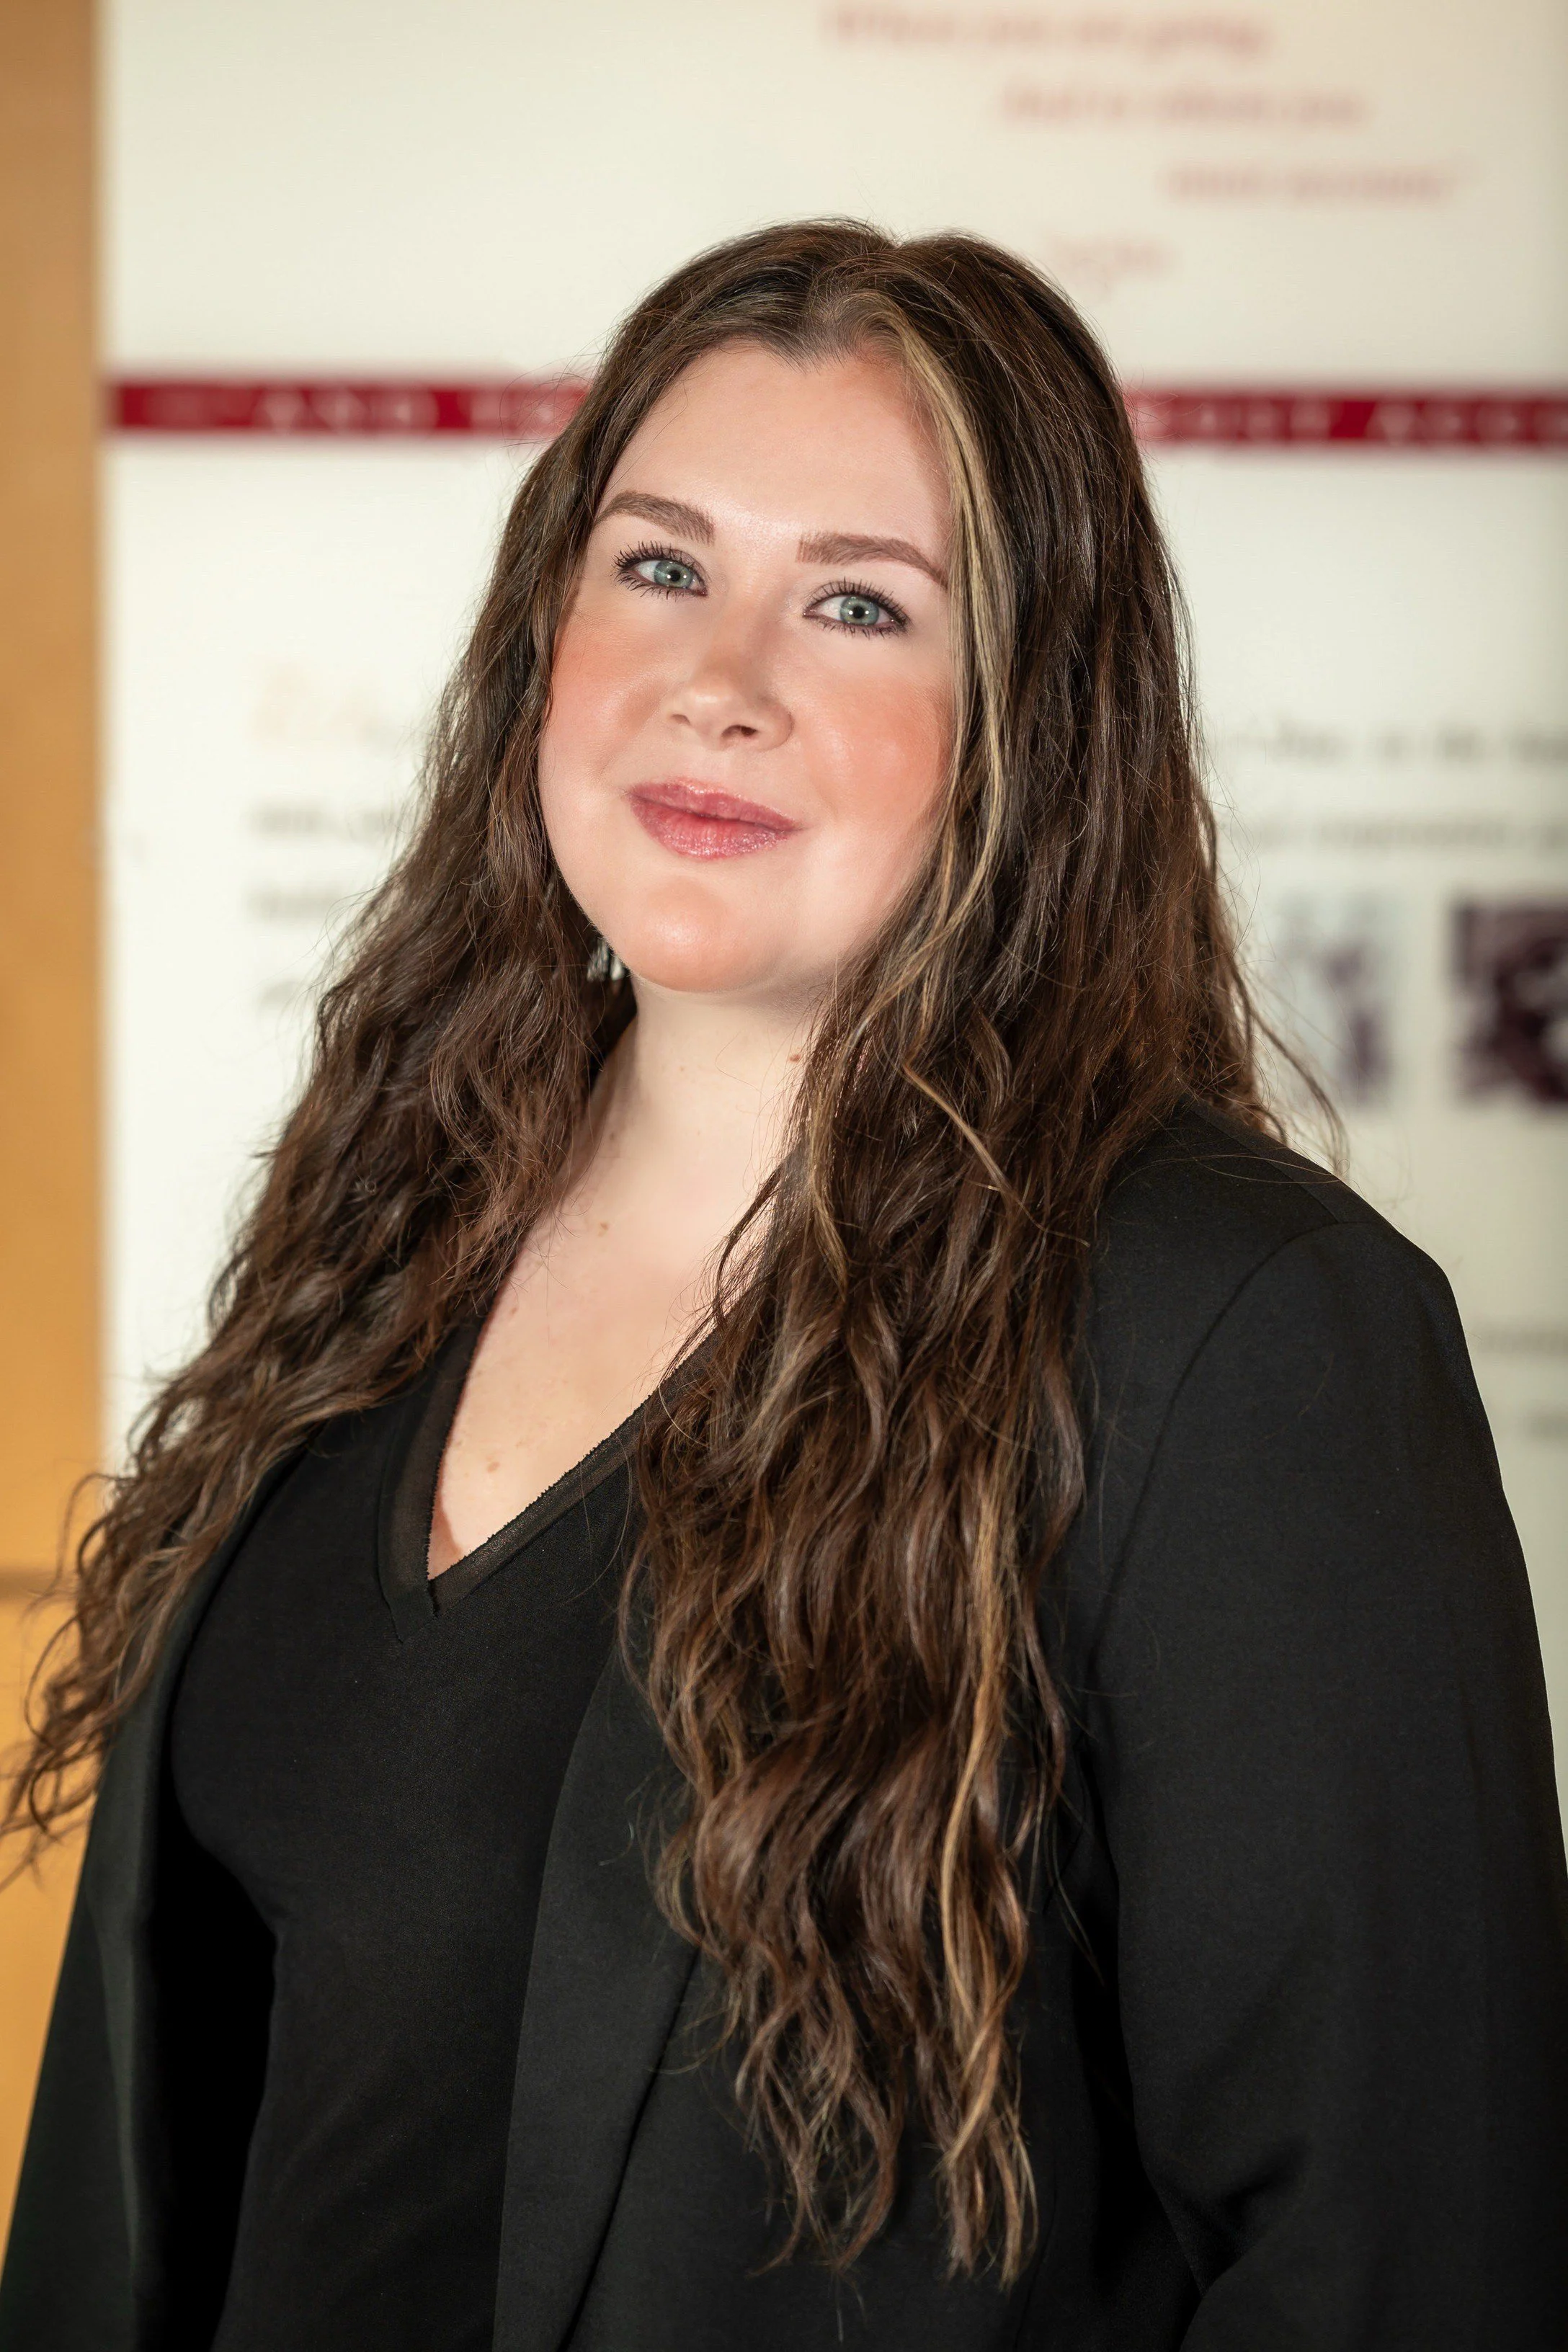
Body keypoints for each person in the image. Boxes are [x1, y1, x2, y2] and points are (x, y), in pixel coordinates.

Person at [3, 220, 1566, 2352]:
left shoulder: (1238, 1332)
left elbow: (1399, 2261)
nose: (718, 679)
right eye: (658, 565)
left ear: (1032, 719)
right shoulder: (391, 1220)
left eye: (857, 605)